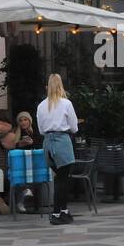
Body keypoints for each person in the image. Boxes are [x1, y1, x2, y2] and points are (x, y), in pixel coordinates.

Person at [38, 74, 79, 225]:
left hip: (47, 144)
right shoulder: (66, 103)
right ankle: (57, 212)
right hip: (62, 141)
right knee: (63, 180)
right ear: (61, 85)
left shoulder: (41, 105)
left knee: (60, 178)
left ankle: (63, 210)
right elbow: (74, 127)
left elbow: (41, 130)